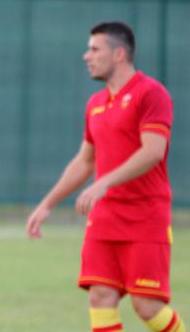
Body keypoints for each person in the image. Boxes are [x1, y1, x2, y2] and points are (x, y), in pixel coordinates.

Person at [26, 21, 184, 332]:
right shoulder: (95, 104)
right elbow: (84, 162)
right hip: (105, 217)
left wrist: (104, 183)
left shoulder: (151, 94)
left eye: (95, 49)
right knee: (100, 295)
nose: (87, 56)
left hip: (145, 216)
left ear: (120, 54)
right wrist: (47, 204)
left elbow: (153, 152)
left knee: (148, 307)